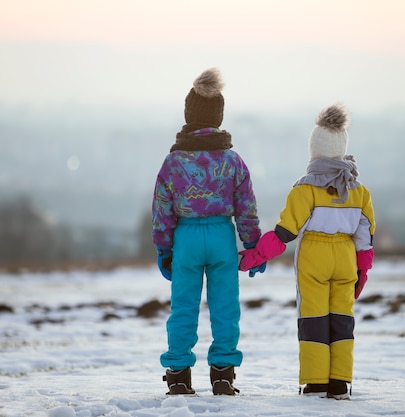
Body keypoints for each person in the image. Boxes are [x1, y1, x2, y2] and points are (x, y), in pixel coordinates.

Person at [238, 104, 375, 400]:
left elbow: (285, 233)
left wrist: (253, 257)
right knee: (342, 319)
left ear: (314, 151)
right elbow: (366, 237)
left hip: (314, 257)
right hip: (346, 258)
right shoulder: (358, 191)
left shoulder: (305, 189)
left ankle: (315, 382)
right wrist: (362, 272)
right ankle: (339, 381)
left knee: (313, 318)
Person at [152, 68, 263, 396]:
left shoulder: (174, 162)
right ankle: (223, 375)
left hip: (185, 238)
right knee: (225, 306)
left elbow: (162, 208)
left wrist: (164, 248)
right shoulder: (232, 160)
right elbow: (246, 205)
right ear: (218, 116)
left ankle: (178, 374)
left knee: (183, 306)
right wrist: (253, 244)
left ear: (189, 115)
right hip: (221, 237)